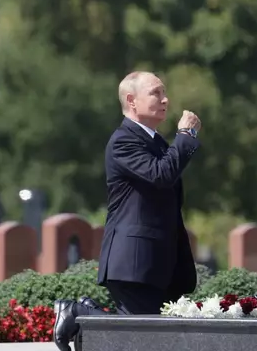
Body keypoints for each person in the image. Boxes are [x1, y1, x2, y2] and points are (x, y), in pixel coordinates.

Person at [53, 71, 201, 351]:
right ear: (132, 101)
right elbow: (161, 174)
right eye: (156, 93)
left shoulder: (155, 141)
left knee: (150, 336)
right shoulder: (123, 140)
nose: (165, 99)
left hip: (160, 263)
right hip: (134, 261)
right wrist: (185, 136)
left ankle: (83, 312)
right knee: (141, 334)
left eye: (164, 92)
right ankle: (78, 314)